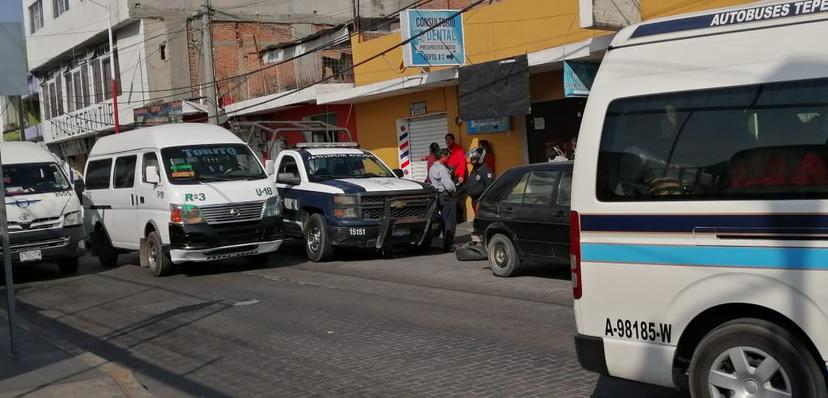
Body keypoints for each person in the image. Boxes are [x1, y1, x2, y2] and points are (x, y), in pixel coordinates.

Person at [428, 149, 458, 252]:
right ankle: (449, 245)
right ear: (443, 157)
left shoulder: (432, 167)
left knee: (445, 220)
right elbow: (448, 185)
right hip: (447, 196)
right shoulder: (441, 168)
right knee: (450, 221)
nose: (448, 159)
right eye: (448, 157)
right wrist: (454, 188)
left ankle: (446, 242)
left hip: (439, 196)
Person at [464, 147, 494, 212]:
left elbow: (489, 188)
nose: (472, 160)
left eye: (474, 159)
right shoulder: (474, 170)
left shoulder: (486, 172)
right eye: (472, 158)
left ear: (481, 158)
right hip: (474, 200)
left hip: (481, 202)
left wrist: (481, 201)